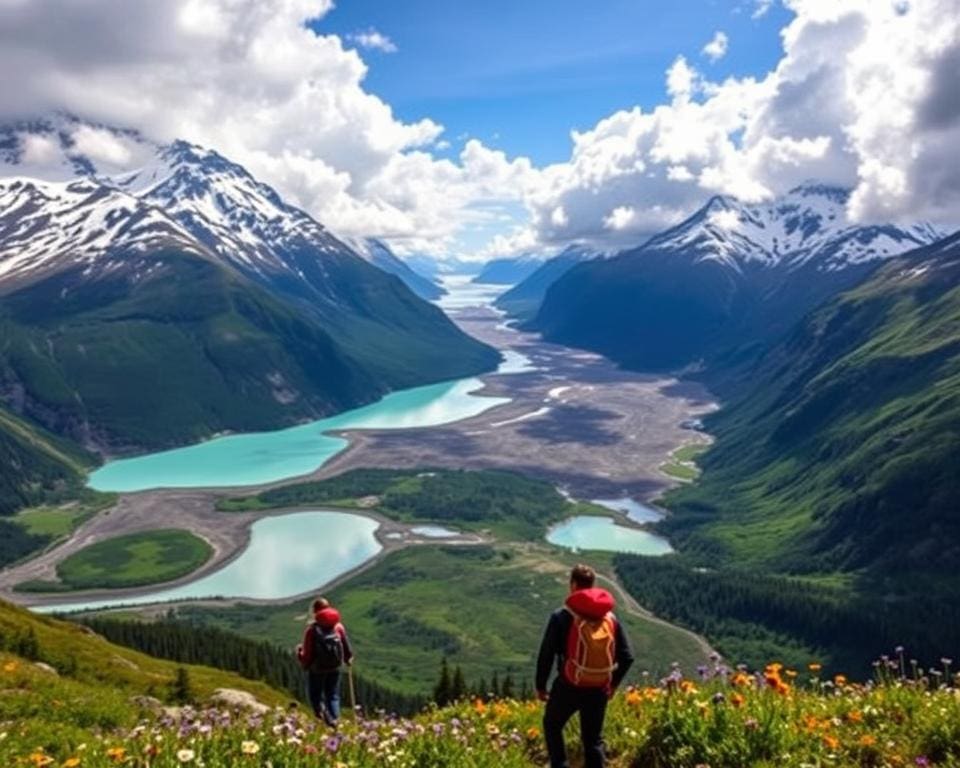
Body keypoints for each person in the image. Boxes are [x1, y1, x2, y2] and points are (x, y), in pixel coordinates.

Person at [535, 563, 634, 768]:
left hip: (568, 686)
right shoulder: (609, 618)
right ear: (593, 585)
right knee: (593, 740)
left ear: (572, 585)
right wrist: (612, 685)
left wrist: (541, 686)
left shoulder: (561, 617)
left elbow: (547, 655)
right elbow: (626, 657)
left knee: (552, 725)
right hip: (598, 688)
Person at [297, 596, 354, 726]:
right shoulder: (338, 627)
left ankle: (324, 722)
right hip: (335, 667)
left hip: (317, 670)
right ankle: (335, 720)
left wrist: (300, 655)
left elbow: (307, 655)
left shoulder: (312, 630)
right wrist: (348, 659)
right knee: (333, 695)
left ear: (315, 611)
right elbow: (346, 647)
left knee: (316, 697)